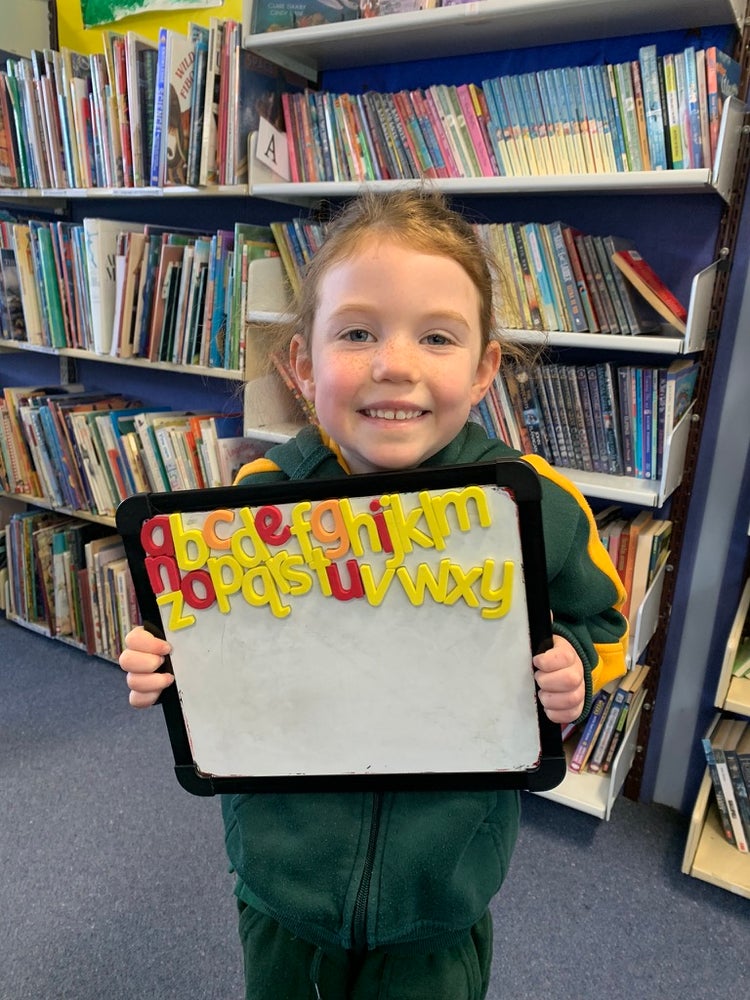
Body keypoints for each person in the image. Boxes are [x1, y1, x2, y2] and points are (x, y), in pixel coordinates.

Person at [120, 188, 628, 1000]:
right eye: (357, 333)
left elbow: (602, 618)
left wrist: (576, 664)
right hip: (284, 881)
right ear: (302, 362)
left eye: (436, 336)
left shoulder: (532, 504)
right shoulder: (257, 501)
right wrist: (163, 660)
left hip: (439, 892)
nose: (395, 363)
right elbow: (201, 631)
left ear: (484, 366)